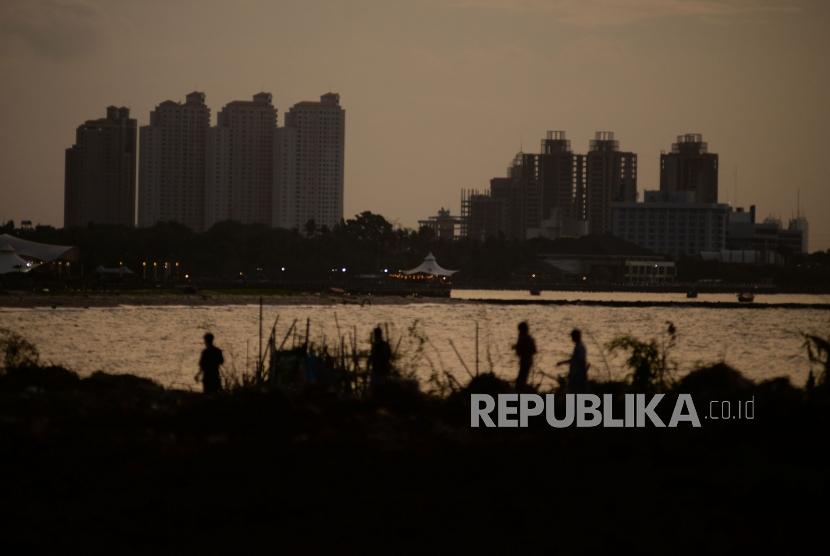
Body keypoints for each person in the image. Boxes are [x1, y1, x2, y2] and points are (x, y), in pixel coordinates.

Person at [513, 321, 537, 389]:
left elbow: (531, 350)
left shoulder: (523, 338)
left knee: (521, 378)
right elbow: (534, 350)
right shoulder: (529, 338)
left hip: (525, 361)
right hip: (527, 361)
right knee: (523, 377)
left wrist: (517, 347)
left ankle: (520, 391)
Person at [369, 326, 392, 390]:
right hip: (382, 370)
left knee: (377, 388)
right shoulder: (384, 344)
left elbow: (373, 357)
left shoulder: (377, 345)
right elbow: (389, 356)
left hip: (378, 370)